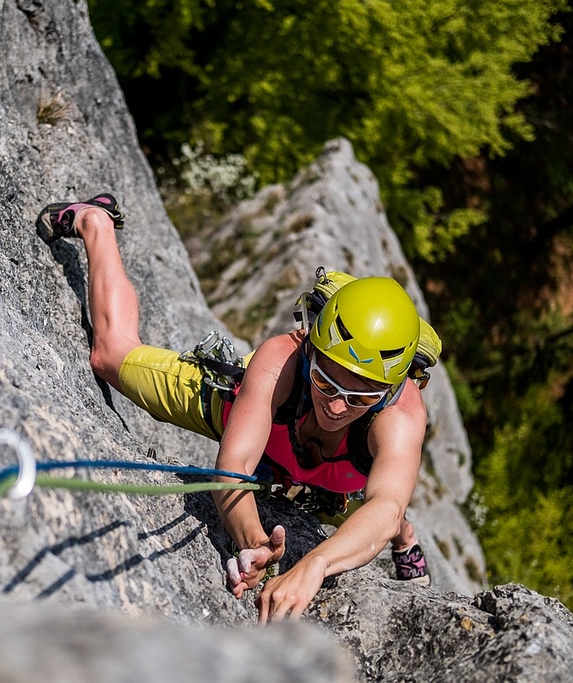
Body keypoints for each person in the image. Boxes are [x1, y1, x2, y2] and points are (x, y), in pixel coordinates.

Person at [36, 193, 441, 623]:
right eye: (325, 381)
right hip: (239, 409)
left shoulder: (402, 415)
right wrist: (253, 543)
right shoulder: (282, 358)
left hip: (331, 481)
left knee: (385, 503)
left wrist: (314, 565)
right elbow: (234, 464)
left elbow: (385, 505)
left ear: (388, 390)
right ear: (310, 351)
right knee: (111, 356)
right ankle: (96, 221)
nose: (338, 406)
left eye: (360, 397)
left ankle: (405, 540)